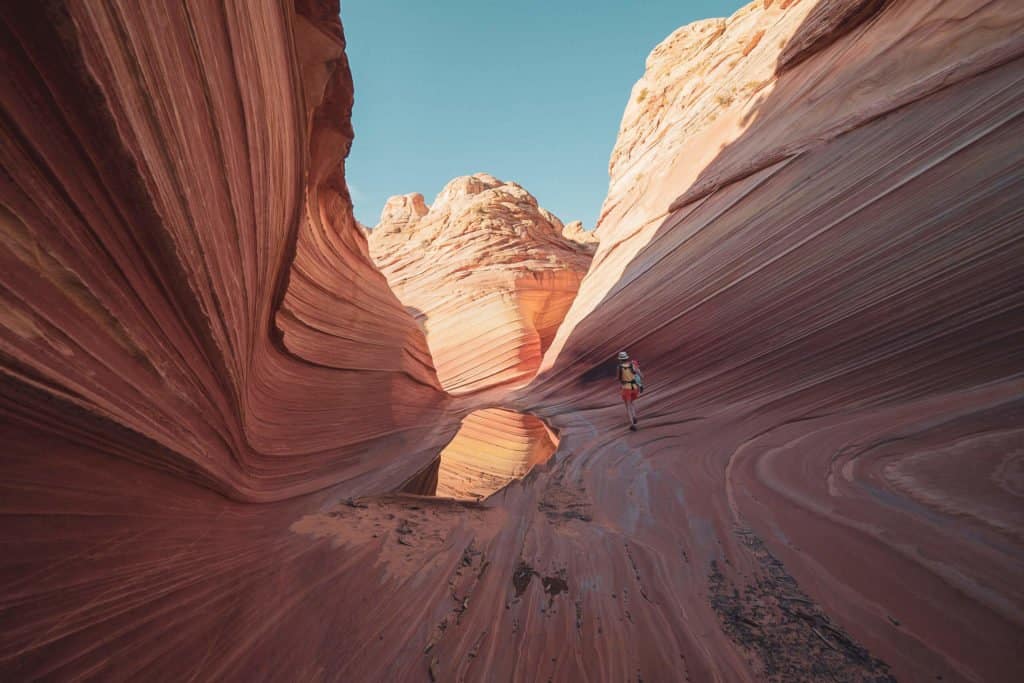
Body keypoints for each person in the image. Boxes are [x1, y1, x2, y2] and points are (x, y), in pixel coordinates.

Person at [616, 351, 643, 430]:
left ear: (620, 359)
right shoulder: (632, 365)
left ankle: (632, 424)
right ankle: (634, 416)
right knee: (632, 403)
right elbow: (641, 375)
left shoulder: (619, 367)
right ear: (626, 358)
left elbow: (618, 378)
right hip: (634, 387)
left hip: (626, 388)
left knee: (627, 406)